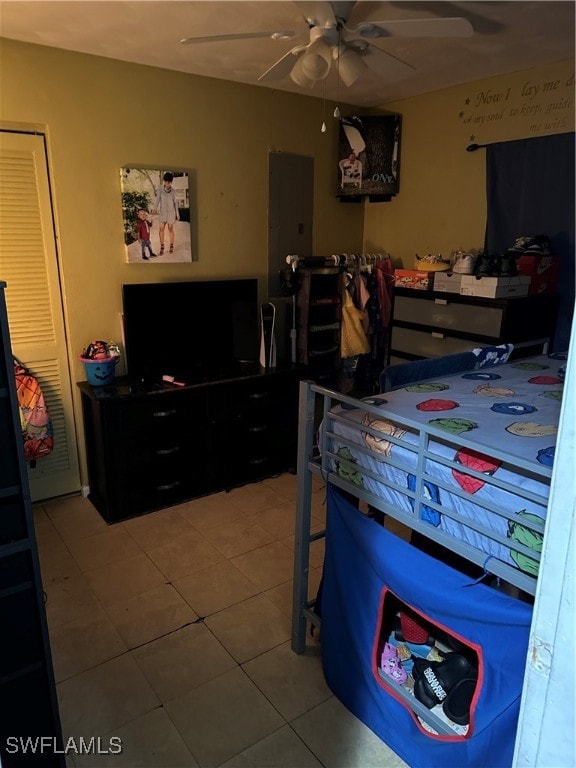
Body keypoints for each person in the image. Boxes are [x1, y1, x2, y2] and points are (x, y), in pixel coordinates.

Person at [153, 171, 179, 255]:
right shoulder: (160, 189)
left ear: (171, 182)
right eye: (166, 182)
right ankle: (162, 247)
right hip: (163, 213)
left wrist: (177, 214)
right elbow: (157, 200)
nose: (167, 184)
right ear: (164, 181)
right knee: (161, 229)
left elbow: (175, 203)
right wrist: (154, 208)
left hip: (171, 213)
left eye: (169, 182)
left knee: (170, 229)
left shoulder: (173, 191)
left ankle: (171, 245)